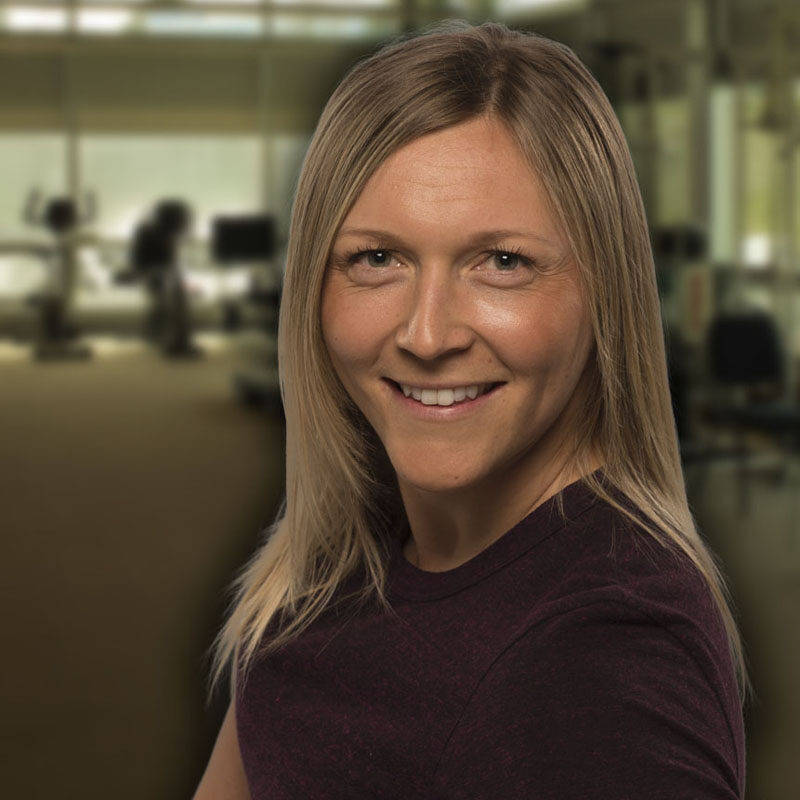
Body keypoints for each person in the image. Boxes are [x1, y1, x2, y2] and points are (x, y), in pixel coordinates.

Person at [194, 22, 746, 799]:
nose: (427, 335)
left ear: (606, 296)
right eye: (376, 259)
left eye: (504, 262)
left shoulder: (607, 658)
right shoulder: (336, 567)